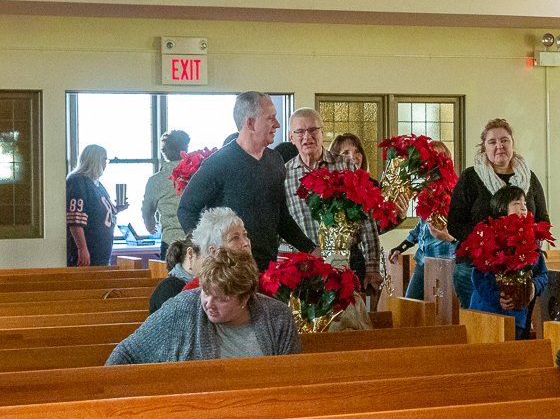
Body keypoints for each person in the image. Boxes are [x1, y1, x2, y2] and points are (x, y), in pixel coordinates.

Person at [178, 91, 315, 271]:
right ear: (250, 123)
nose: (277, 124)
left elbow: (281, 217)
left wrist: (311, 249)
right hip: (230, 271)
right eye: (270, 118)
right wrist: (209, 251)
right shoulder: (219, 163)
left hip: (266, 268)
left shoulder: (275, 160)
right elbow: (186, 210)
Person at [108, 247, 301, 365]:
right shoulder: (182, 308)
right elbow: (127, 353)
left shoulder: (277, 317)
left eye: (221, 299)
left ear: (245, 298)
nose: (209, 304)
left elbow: (292, 376)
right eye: (205, 292)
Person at [450, 118, 550, 308]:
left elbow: (543, 219)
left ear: (512, 143)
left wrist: (525, 239)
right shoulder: (470, 178)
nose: (499, 146)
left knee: (515, 327)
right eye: (492, 142)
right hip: (476, 267)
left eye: (504, 140)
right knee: (482, 325)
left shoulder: (529, 177)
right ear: (484, 147)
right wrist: (490, 242)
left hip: (519, 268)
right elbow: (455, 224)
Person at [282, 108, 383, 295]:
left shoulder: (345, 165)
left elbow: (365, 218)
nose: (307, 137)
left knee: (353, 321)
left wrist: (372, 267)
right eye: (300, 132)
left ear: (322, 133)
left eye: (313, 130)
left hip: (349, 262)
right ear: (291, 137)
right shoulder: (284, 174)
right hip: (307, 266)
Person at [467, 185, 549, 333]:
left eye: (525, 204)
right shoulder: (487, 235)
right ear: (501, 208)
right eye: (517, 204)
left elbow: (542, 274)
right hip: (486, 313)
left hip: (517, 317)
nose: (524, 207)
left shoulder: (531, 239)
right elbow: (477, 276)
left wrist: (533, 287)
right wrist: (497, 298)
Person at [148, 207, 252, 313]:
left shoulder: (247, 279)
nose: (246, 243)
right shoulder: (174, 291)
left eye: (245, 235)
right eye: (235, 238)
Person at [388, 140, 458, 299]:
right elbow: (421, 228)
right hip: (423, 260)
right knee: (411, 304)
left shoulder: (455, 192)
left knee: (442, 310)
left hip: (445, 262)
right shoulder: (427, 191)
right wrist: (401, 247)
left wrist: (449, 237)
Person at [141, 129, 191, 259]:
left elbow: (147, 211)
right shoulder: (198, 173)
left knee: (171, 278)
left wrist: (151, 227)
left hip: (170, 241)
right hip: (197, 240)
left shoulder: (157, 180)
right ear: (185, 148)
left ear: (165, 151)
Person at [65, 144, 117, 267]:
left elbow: (99, 213)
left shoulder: (97, 184)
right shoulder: (78, 182)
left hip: (101, 252)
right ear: (96, 160)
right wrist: (82, 248)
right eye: (104, 159)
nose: (106, 163)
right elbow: (75, 219)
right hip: (89, 251)